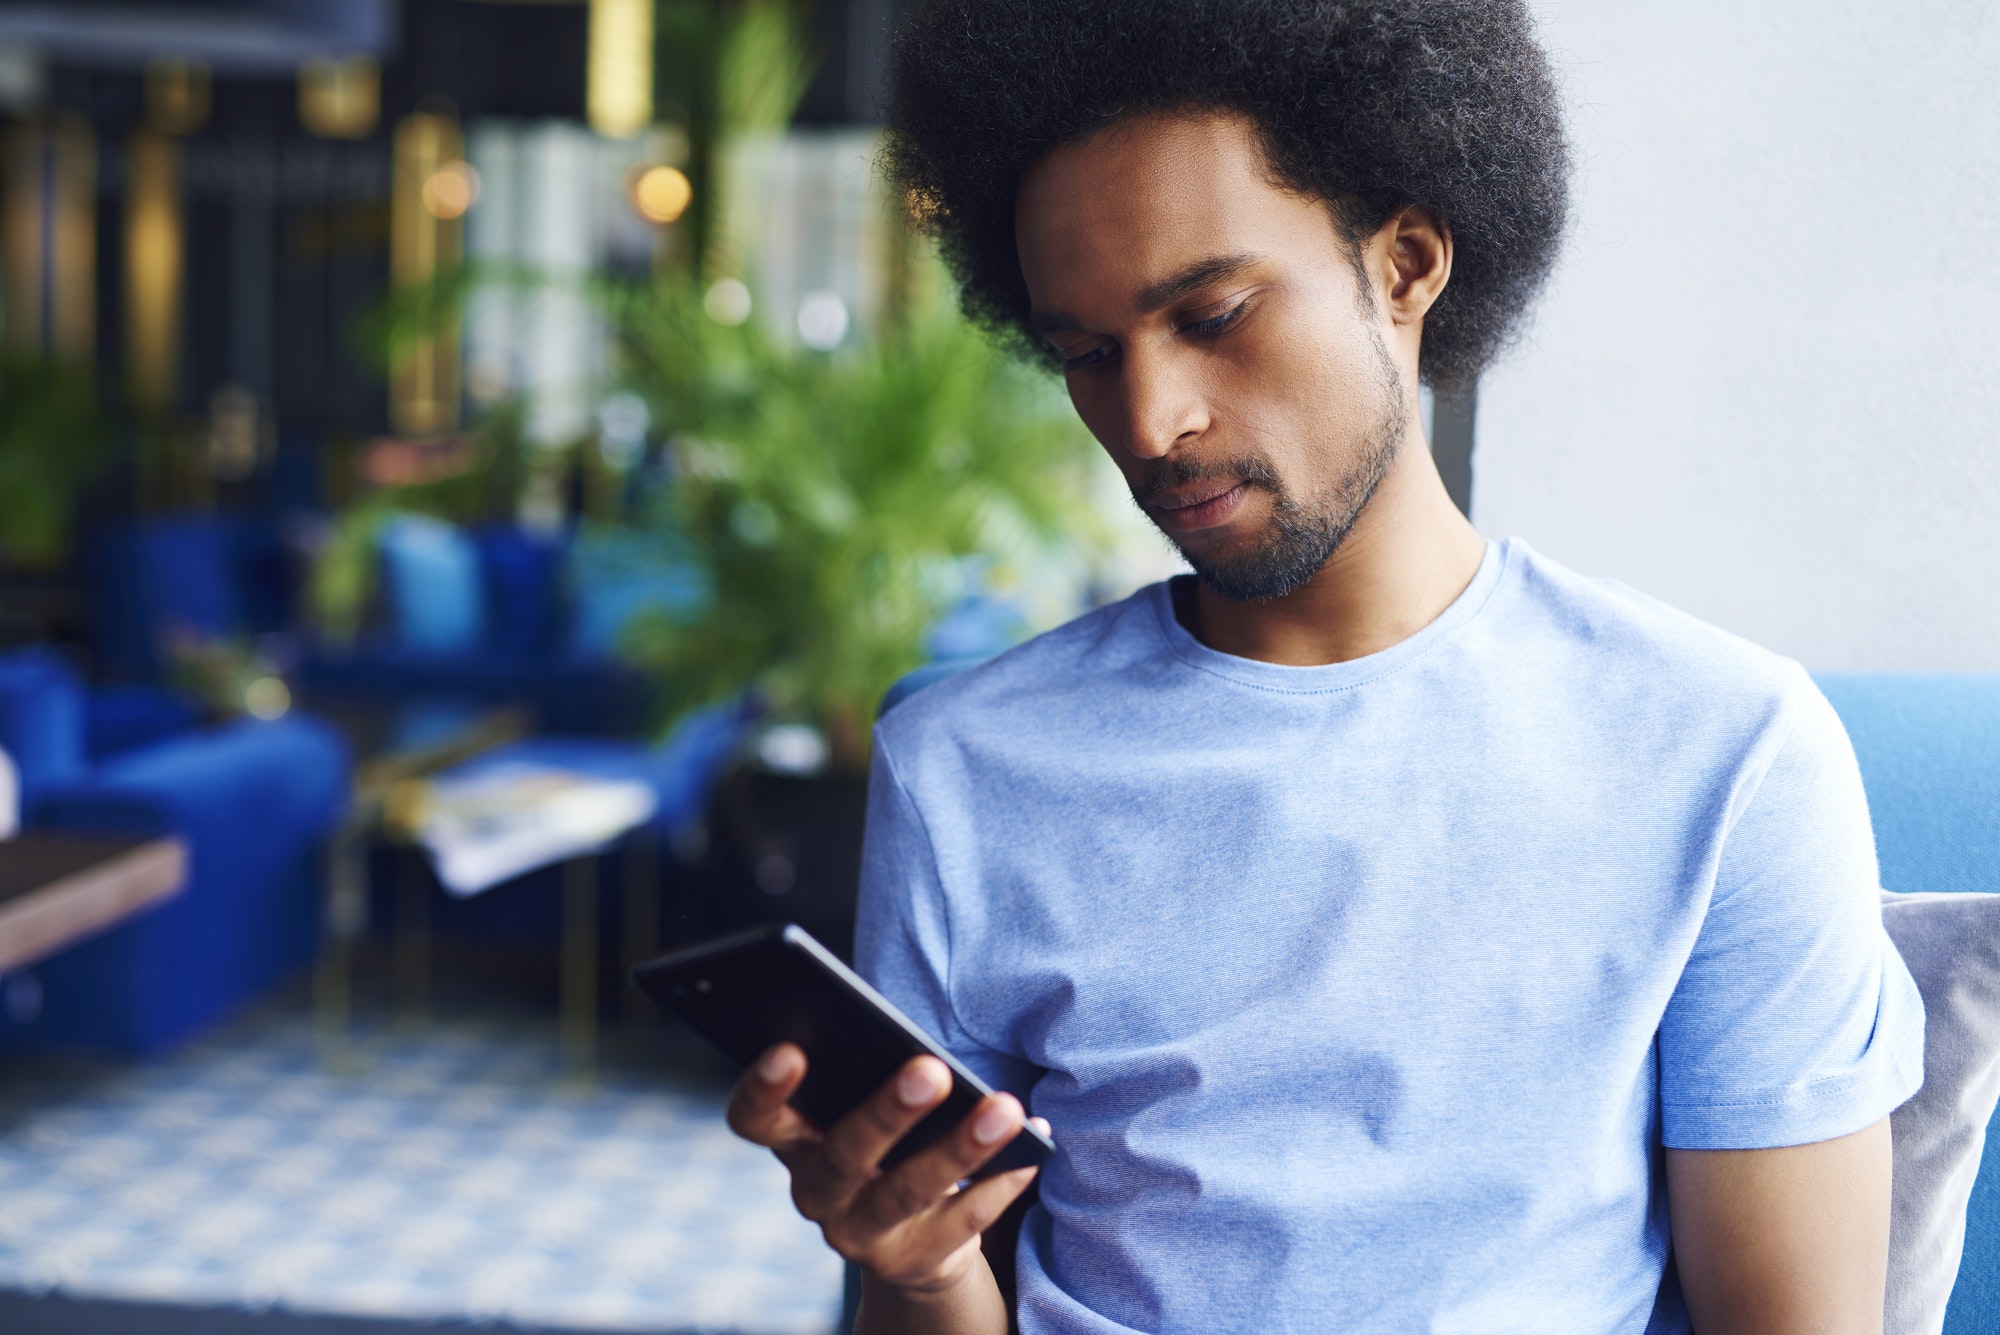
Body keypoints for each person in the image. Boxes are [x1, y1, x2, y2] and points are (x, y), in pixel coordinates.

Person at [725, 2, 1925, 1332]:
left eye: (1214, 312)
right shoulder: (965, 765)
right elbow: (944, 1295)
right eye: (1086, 353)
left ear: (1406, 264)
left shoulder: (1725, 750)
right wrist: (922, 1270)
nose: (1150, 419)